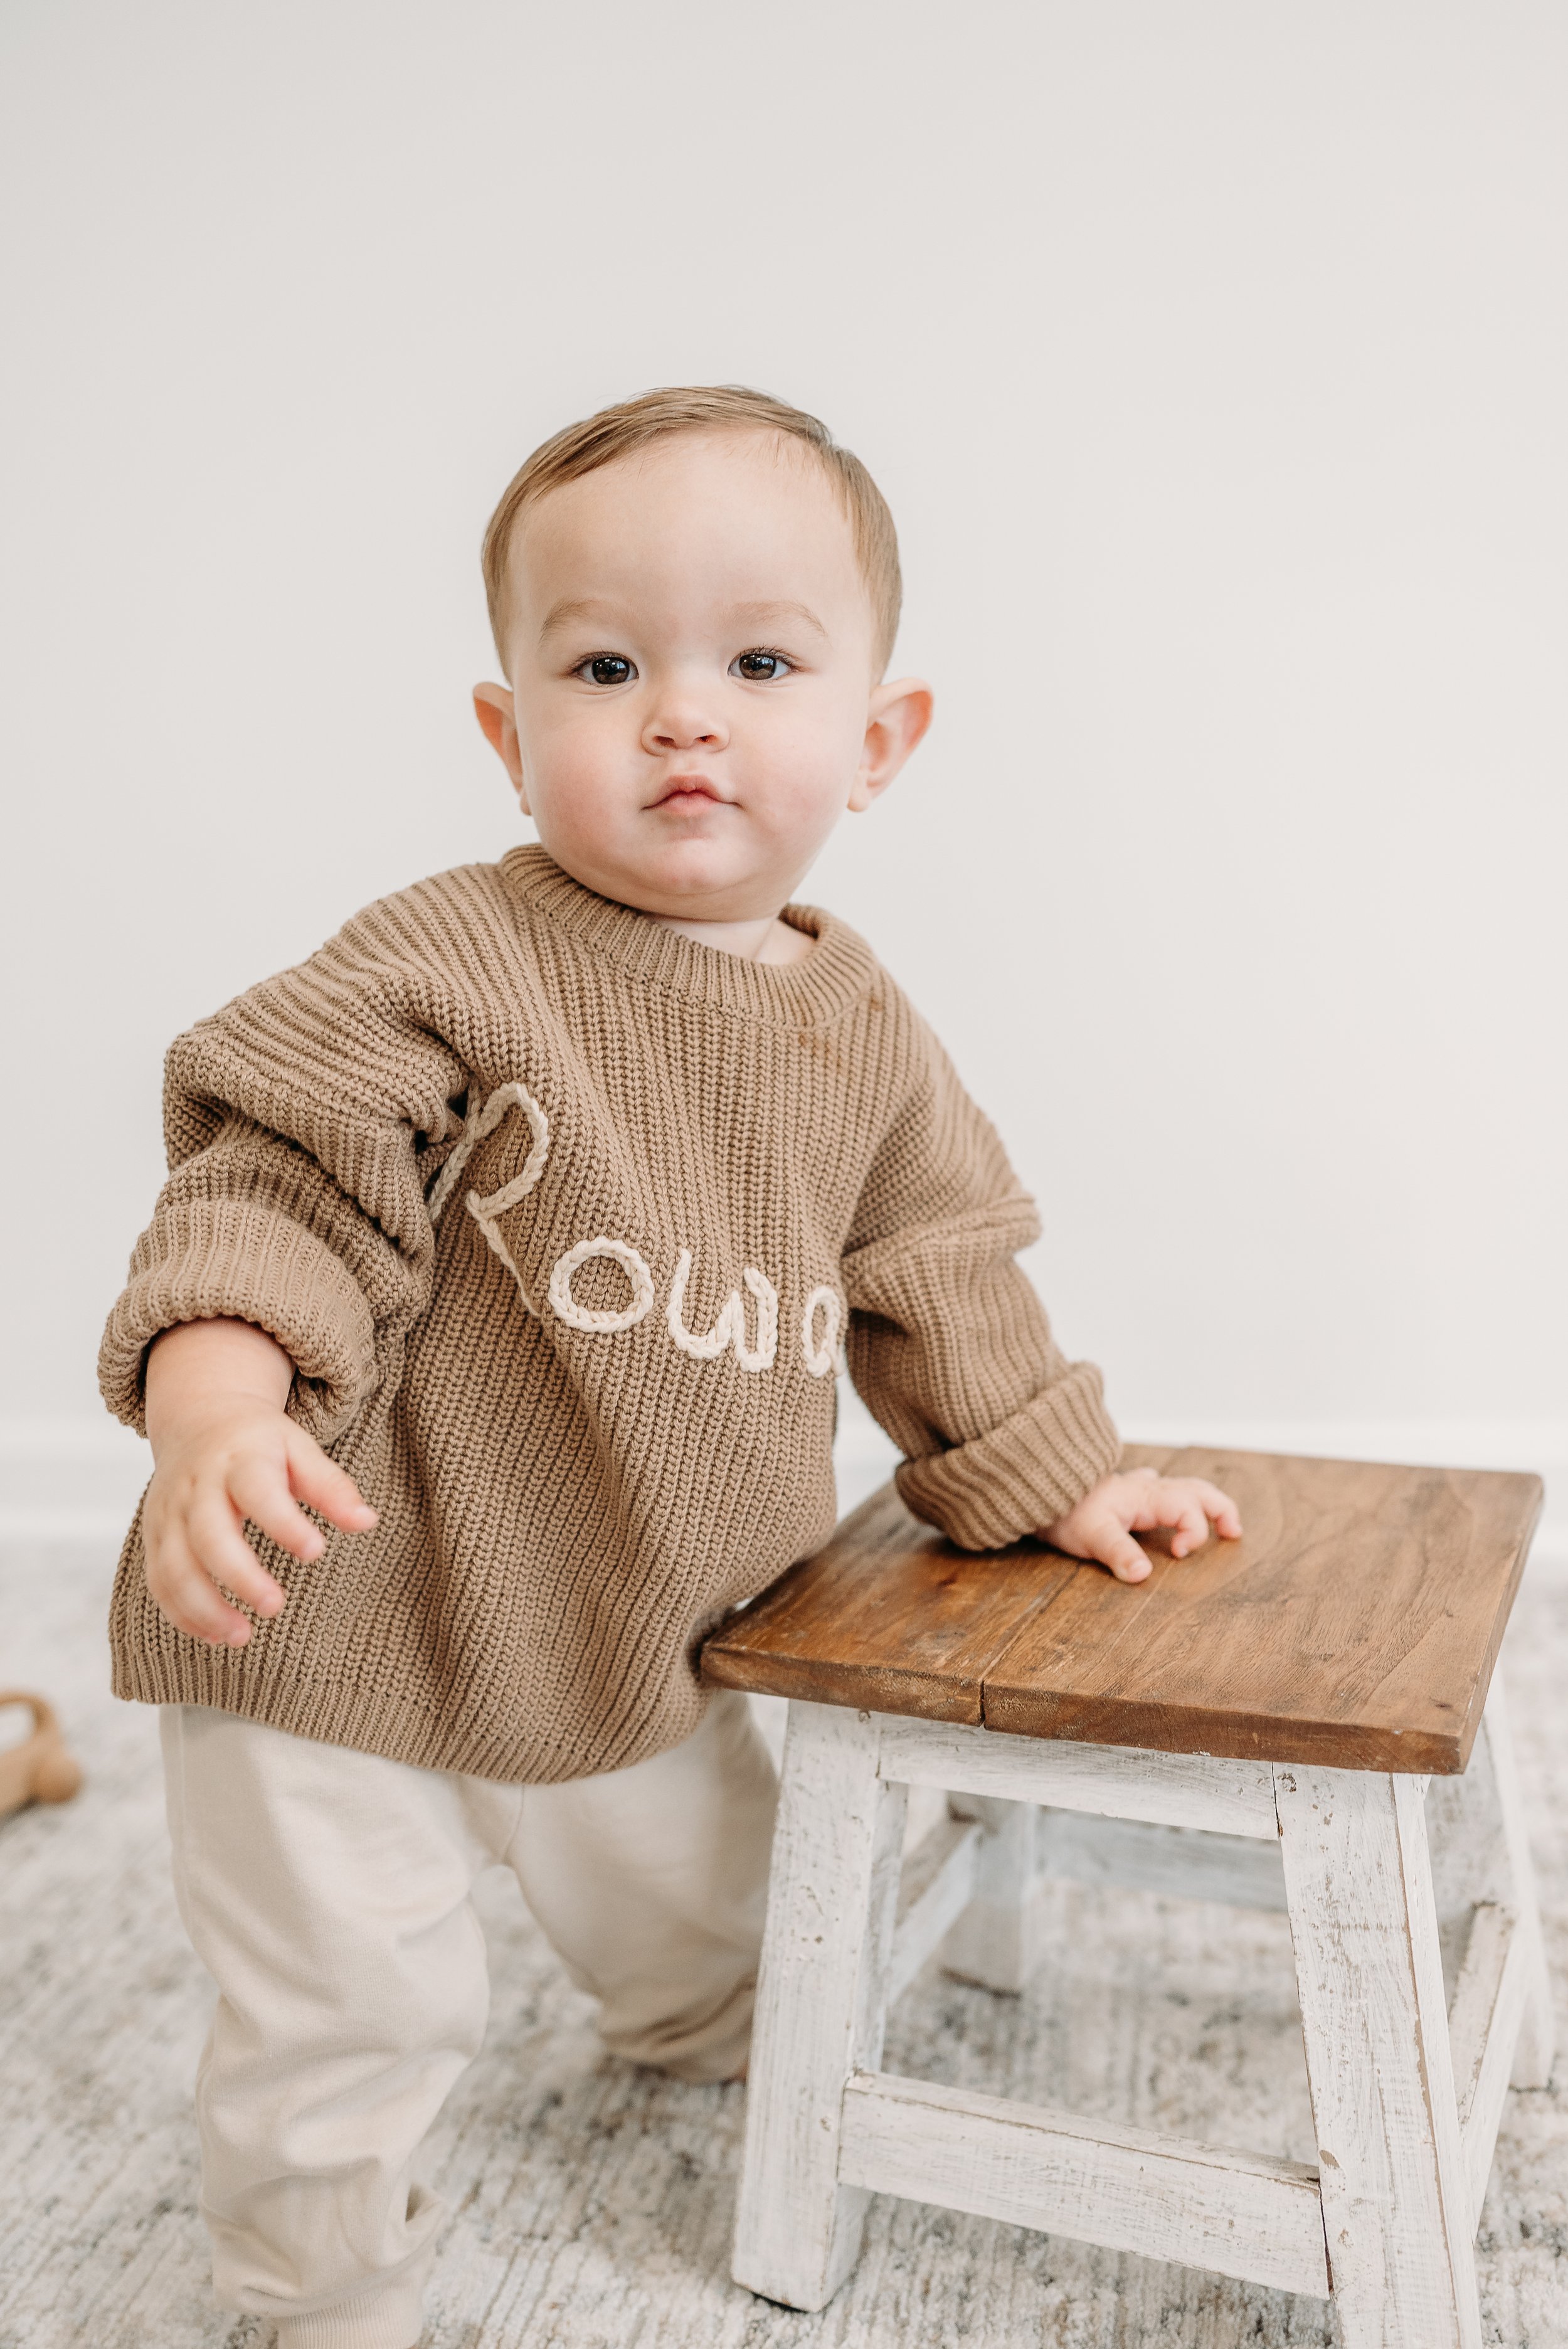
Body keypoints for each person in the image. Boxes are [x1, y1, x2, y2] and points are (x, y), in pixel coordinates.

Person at [99, 384, 1242, 2349]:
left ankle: (707, 2029)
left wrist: (1062, 1470)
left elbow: (939, 1271)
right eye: (606, 662)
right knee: (357, 2002)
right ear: (507, 727)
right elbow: (271, 1177)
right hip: (326, 1578)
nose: (681, 712)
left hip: (629, 1598)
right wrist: (216, 1406)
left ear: (875, 742)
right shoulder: (448, 958)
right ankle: (319, 2293)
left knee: (714, 1900)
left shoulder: (860, 1028)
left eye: (759, 660)